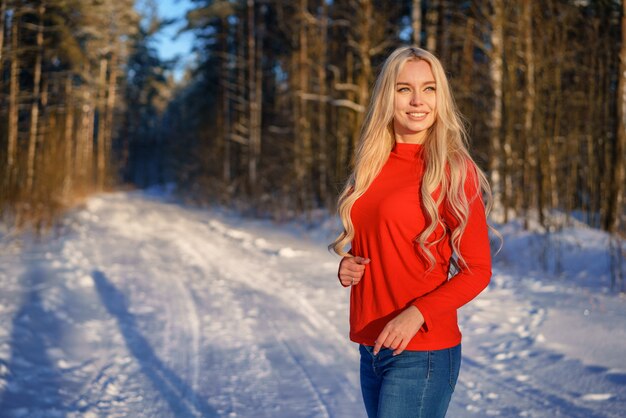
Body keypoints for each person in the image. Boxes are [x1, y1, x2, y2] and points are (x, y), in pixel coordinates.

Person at [329, 46, 493, 418]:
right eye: (404, 89)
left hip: (423, 350)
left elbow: (478, 270)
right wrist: (350, 266)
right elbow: (378, 243)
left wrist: (417, 313)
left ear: (441, 97)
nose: (418, 101)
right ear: (388, 95)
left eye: (429, 89)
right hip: (372, 344)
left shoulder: (452, 168)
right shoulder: (371, 164)